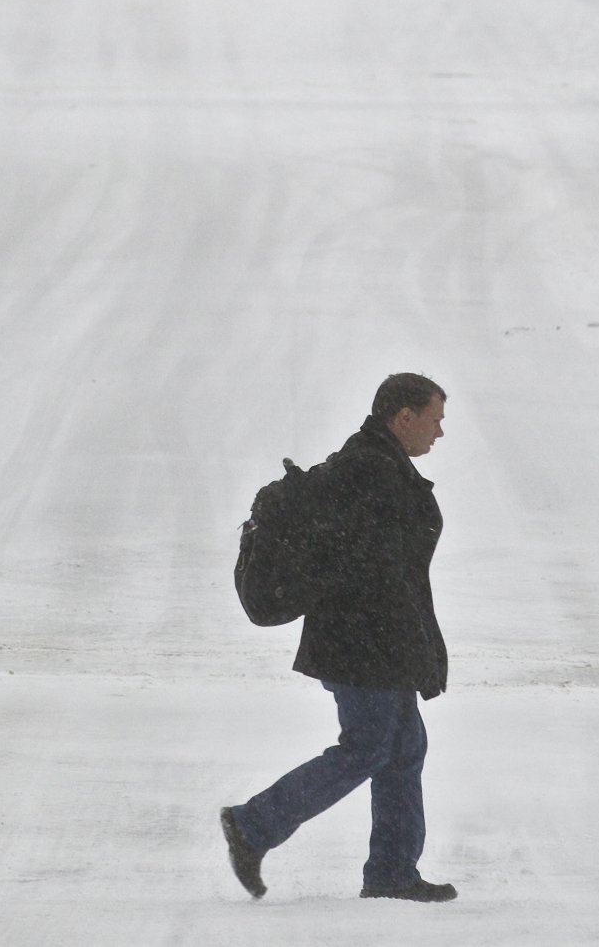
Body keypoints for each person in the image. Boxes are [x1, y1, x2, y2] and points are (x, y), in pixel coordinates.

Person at [222, 374, 455, 904]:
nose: (440, 433)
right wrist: (404, 638)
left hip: (375, 641)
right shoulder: (368, 470)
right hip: (362, 643)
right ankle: (254, 824)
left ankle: (392, 872)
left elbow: (386, 568)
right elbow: (362, 566)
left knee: (401, 749)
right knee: (367, 749)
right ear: (404, 417)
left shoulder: (377, 465)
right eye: (435, 419)